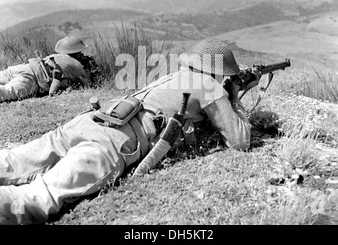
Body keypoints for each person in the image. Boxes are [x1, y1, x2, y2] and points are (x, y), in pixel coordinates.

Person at [0, 38, 260, 225]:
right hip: (112, 143)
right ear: (219, 72)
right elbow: (239, 141)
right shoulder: (209, 86)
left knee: (11, 162)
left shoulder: (174, 76)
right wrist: (234, 97)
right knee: (33, 199)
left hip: (87, 121)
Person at [0, 53, 90, 103]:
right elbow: (52, 91)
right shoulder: (77, 67)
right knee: (5, 92)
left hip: (26, 67)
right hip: (31, 80)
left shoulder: (60, 55)